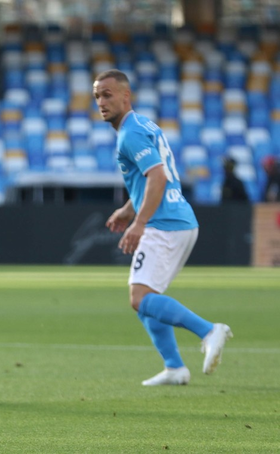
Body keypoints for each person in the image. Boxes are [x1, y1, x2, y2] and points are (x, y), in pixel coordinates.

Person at [94, 69, 232, 386]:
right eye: (97, 96)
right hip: (176, 219)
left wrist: (139, 222)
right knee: (146, 297)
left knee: (139, 297)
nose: (101, 102)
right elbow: (149, 177)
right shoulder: (143, 126)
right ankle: (175, 368)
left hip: (164, 223)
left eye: (107, 94)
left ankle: (209, 331)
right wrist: (128, 210)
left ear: (126, 96)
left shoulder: (130, 134)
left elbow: (158, 177)